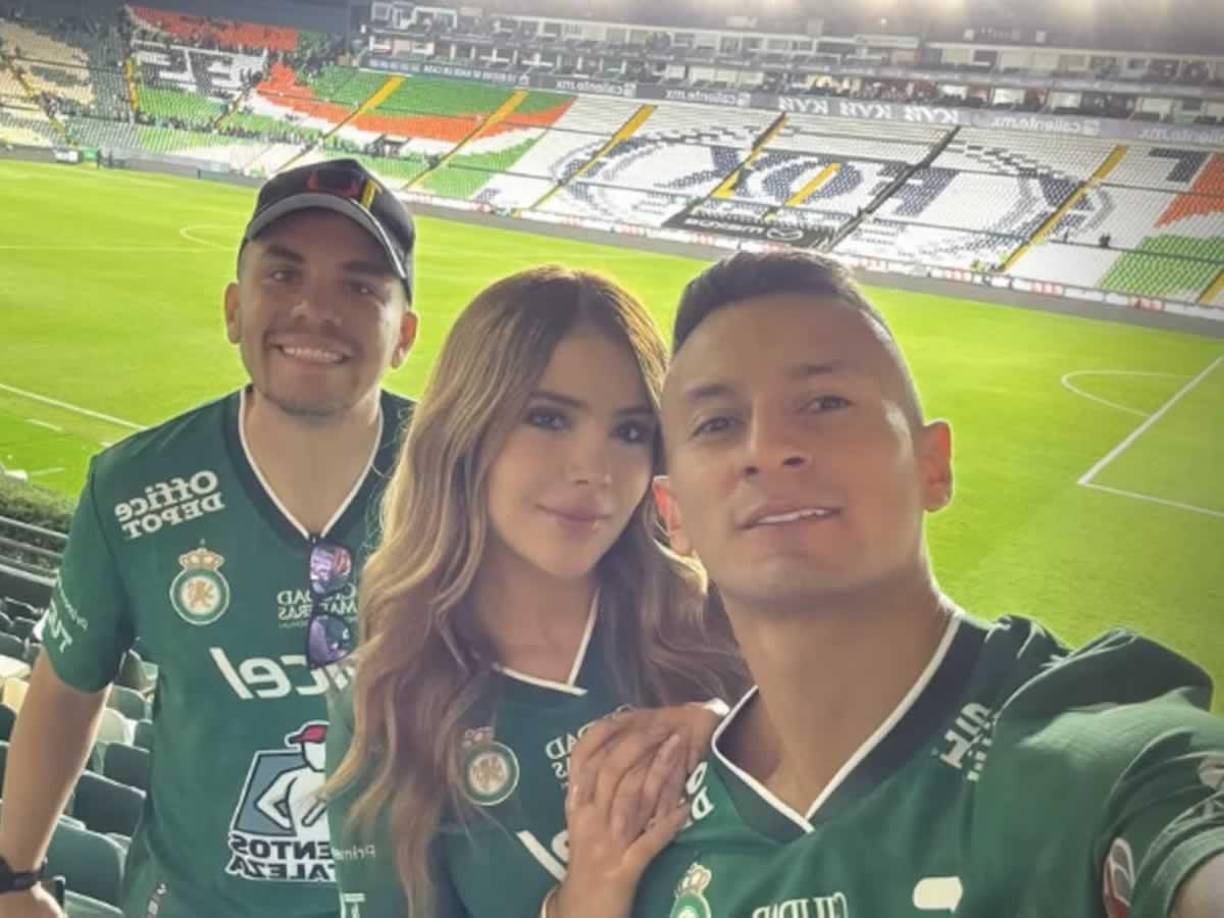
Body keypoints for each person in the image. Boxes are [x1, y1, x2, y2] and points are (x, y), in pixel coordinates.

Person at [621, 250, 1223, 916]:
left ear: (933, 466)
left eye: (825, 402)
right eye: (718, 424)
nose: (765, 447)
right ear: (673, 514)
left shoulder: (1093, 767)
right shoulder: (650, 843)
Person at [0, 158, 419, 918]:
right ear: (233, 309)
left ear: (405, 335)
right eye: (283, 276)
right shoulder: (132, 487)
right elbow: (67, 685)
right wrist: (14, 877)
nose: (314, 310)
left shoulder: (471, 479)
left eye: (360, 288)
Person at [325, 266, 747, 918]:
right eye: (548, 418)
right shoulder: (388, 697)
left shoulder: (719, 625)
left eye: (630, 431)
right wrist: (583, 901)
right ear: (465, 430)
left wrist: (741, 735)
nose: (593, 471)